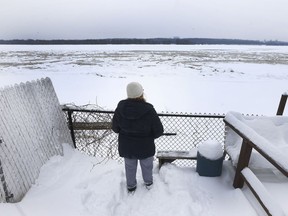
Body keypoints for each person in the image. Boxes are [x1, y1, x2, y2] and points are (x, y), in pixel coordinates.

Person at [112, 82, 164, 193]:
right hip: (145, 146)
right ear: (141, 93)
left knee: (129, 166)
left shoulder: (120, 107)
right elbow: (159, 130)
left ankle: (131, 186)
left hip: (127, 146)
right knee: (147, 166)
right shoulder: (149, 109)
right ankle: (148, 183)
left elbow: (115, 128)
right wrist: (149, 137)